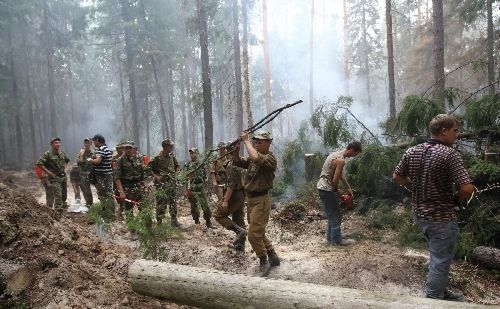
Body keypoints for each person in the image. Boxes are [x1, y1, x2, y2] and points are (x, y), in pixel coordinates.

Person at [393, 114, 474, 301]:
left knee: (438, 254)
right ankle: (434, 299)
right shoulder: (449, 154)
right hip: (441, 218)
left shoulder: (412, 151)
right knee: (441, 259)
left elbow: (397, 177)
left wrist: (413, 187)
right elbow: (467, 188)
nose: (457, 135)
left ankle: (440, 291)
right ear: (444, 131)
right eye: (455, 131)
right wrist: (456, 198)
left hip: (420, 214)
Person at [232, 131, 279, 277]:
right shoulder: (254, 157)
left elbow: (255, 158)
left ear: (268, 143)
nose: (257, 144)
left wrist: (246, 141)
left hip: (261, 200)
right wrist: (235, 151)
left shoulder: (270, 159)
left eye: (260, 142)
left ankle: (263, 261)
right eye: (256, 142)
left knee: (253, 234)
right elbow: (239, 161)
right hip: (251, 200)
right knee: (258, 231)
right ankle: (273, 256)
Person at [316, 141, 362, 246]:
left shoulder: (335, 154)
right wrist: (336, 191)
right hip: (327, 189)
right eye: (356, 153)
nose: (355, 156)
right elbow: (335, 180)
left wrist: (348, 187)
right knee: (336, 214)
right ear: (351, 150)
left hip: (322, 187)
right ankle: (337, 240)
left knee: (332, 213)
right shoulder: (341, 160)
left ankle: (331, 237)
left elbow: (340, 175)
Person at [214, 142, 247, 251]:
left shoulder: (232, 164)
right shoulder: (241, 161)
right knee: (238, 218)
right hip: (242, 194)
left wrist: (225, 201)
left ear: (228, 151)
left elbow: (231, 185)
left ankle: (239, 231)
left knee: (218, 215)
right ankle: (241, 246)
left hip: (233, 194)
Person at [149, 139, 180, 226]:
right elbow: (148, 169)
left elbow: (177, 166)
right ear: (165, 147)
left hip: (172, 183)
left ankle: (174, 222)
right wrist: (156, 176)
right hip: (161, 184)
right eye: (170, 146)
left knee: (173, 202)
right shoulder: (157, 158)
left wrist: (176, 173)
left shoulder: (172, 157)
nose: (172, 147)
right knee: (161, 203)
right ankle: (159, 223)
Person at [36, 137, 70, 212]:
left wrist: (65, 169)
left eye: (59, 142)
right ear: (51, 144)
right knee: (58, 196)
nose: (58, 144)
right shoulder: (48, 154)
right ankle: (58, 213)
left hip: (63, 177)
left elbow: (67, 161)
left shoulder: (62, 153)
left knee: (64, 195)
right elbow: (39, 163)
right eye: (56, 143)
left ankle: (63, 210)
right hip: (54, 178)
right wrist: (48, 172)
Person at [184, 148, 214, 228]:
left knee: (205, 205)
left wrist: (206, 188)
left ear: (197, 154)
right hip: (192, 188)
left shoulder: (201, 164)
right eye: (190, 154)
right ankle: (196, 221)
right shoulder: (187, 164)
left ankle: (208, 222)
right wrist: (187, 190)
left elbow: (205, 177)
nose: (192, 155)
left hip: (200, 187)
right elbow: (185, 178)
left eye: (193, 153)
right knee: (193, 206)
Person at [88, 134, 116, 220]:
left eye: (93, 141)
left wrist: (90, 160)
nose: (93, 143)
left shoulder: (101, 149)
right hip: (105, 175)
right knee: (105, 194)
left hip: (103, 176)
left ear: (97, 140)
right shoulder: (106, 148)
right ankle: (107, 213)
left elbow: (97, 161)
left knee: (105, 194)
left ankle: (110, 215)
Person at [114, 141, 146, 215]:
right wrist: (121, 192)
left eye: (130, 148)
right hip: (127, 188)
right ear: (124, 149)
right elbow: (117, 177)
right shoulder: (120, 160)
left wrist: (145, 186)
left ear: (133, 149)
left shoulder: (138, 158)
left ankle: (147, 225)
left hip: (139, 187)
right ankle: (131, 226)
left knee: (144, 208)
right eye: (126, 148)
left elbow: (143, 174)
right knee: (129, 211)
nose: (128, 150)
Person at [76, 137, 95, 207]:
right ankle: (89, 204)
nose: (86, 144)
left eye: (88, 143)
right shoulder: (81, 152)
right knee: (86, 191)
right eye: (85, 143)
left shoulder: (94, 152)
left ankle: (103, 205)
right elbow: (78, 162)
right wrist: (81, 155)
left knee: (99, 189)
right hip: (84, 174)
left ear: (91, 143)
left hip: (93, 174)